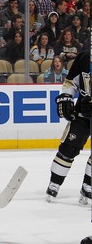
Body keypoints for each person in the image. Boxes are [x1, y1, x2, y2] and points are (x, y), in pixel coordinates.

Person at [46, 51, 92, 204]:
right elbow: (71, 82)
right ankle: (55, 182)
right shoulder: (85, 57)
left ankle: (88, 185)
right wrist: (66, 97)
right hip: (82, 112)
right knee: (69, 148)